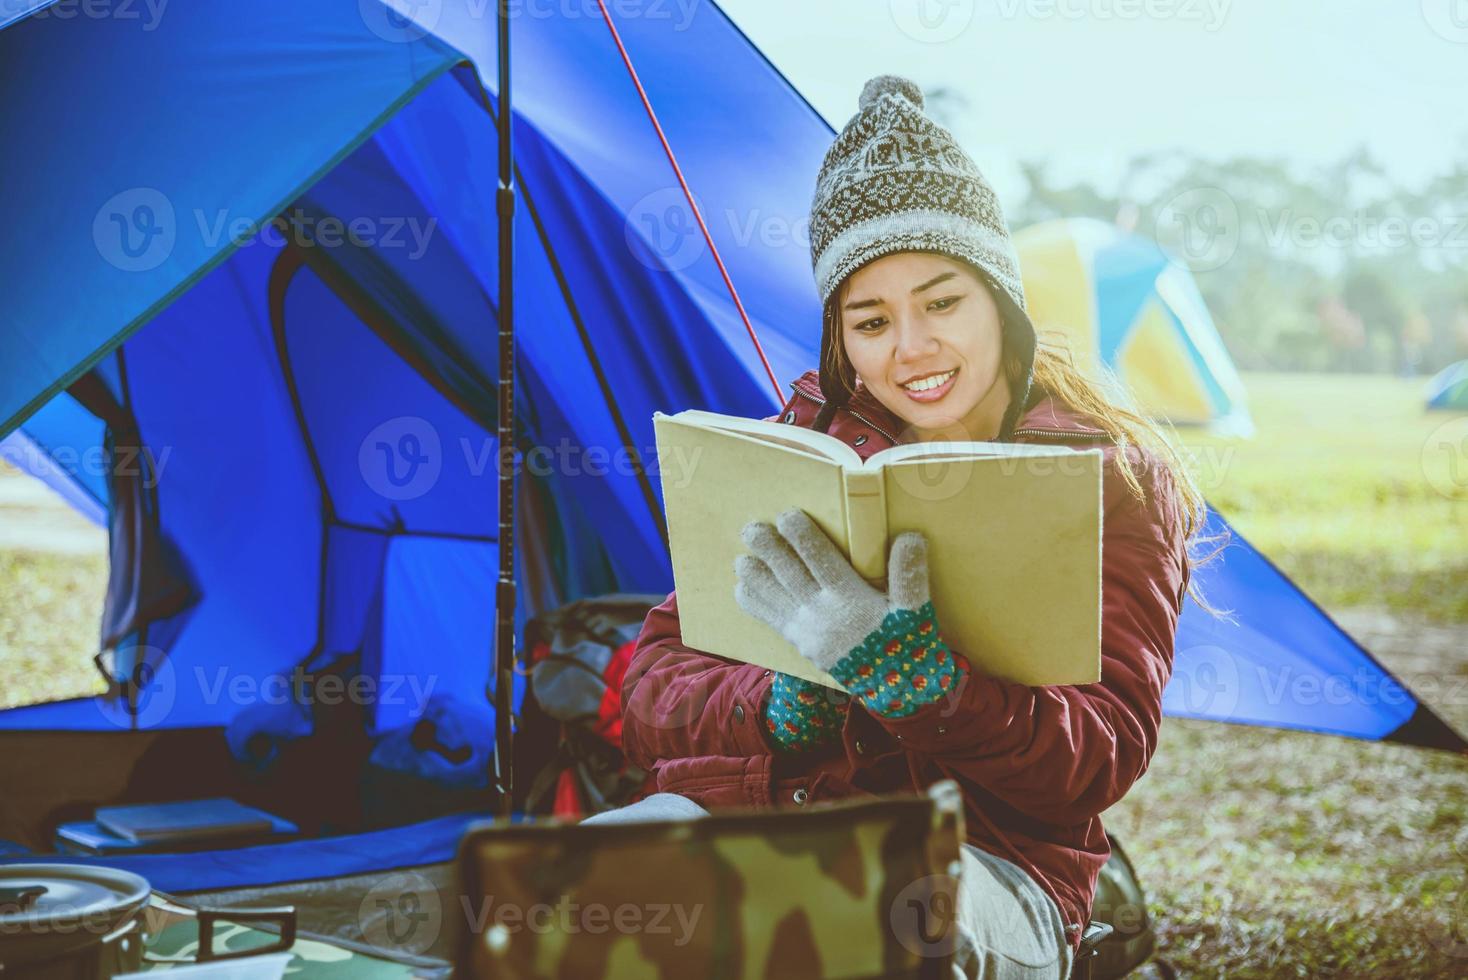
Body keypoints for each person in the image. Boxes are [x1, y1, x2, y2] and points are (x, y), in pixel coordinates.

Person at [586, 74, 1208, 980]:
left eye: (942, 302)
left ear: (999, 296)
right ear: (841, 340)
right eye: (871, 321)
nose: (910, 347)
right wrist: (779, 706)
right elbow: (649, 688)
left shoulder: (1110, 476)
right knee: (572, 895)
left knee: (865, 916)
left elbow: (1099, 756)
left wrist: (930, 691)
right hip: (748, 819)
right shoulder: (792, 455)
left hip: (986, 861)